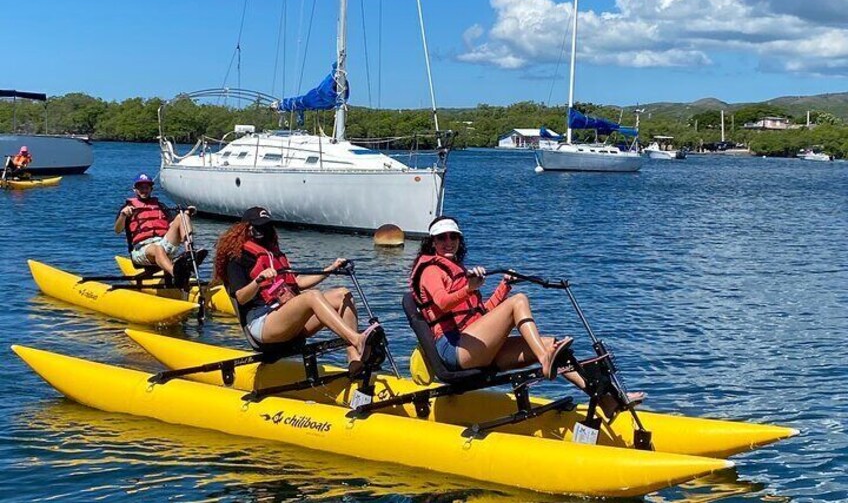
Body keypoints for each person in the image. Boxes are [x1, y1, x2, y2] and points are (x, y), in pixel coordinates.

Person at [410, 216, 643, 416]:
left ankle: (609, 401)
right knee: (520, 302)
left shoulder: (460, 271)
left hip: (476, 345)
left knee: (553, 345)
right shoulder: (430, 270)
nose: (448, 242)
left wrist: (504, 286)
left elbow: (483, 315)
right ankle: (544, 360)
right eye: (441, 238)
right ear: (432, 243)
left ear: (460, 241)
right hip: (455, 350)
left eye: (453, 237)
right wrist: (469, 288)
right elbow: (442, 301)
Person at [214, 206, 382, 370]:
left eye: (267, 225)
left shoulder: (273, 252)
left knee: (343, 295)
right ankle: (357, 339)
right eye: (259, 226)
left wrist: (331, 269)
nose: (264, 230)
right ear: (246, 228)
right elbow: (242, 297)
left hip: (287, 317)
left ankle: (354, 360)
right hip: (262, 324)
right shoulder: (236, 258)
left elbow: (298, 282)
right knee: (311, 297)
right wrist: (258, 280)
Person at [114, 173, 205, 288]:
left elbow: (173, 224)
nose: (144, 190)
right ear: (135, 189)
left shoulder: (160, 206)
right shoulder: (127, 208)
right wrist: (123, 215)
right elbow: (117, 230)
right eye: (140, 187)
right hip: (142, 249)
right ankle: (176, 275)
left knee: (182, 216)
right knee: (158, 249)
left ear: (151, 189)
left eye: (146, 187)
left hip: (163, 243)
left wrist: (187, 213)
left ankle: (189, 254)